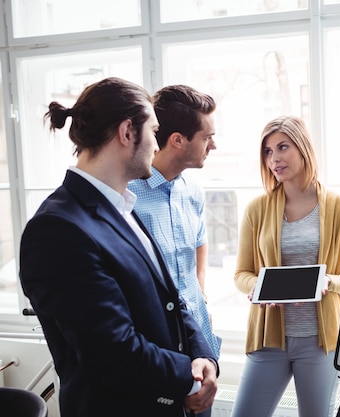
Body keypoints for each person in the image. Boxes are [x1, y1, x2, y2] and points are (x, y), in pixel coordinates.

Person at [19, 77, 219, 417]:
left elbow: (172, 298)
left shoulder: (122, 205)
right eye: (153, 132)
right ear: (128, 132)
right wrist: (188, 375)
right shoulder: (57, 229)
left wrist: (203, 356)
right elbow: (112, 352)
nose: (157, 146)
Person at [231, 115, 340, 417]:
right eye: (268, 151)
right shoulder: (257, 209)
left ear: (303, 148)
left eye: (282, 147)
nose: (274, 158)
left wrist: (329, 282)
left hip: (319, 341)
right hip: (269, 338)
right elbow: (241, 275)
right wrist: (259, 288)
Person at [128, 85, 222, 417]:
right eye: (207, 136)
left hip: (199, 339)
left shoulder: (192, 190)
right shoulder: (128, 195)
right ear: (178, 140)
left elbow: (199, 242)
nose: (214, 144)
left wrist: (202, 294)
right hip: (159, 348)